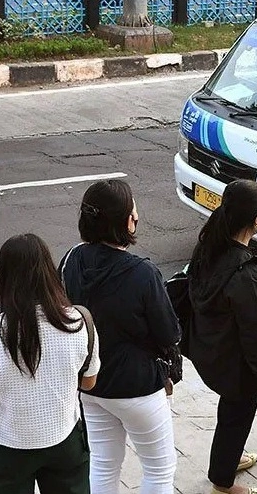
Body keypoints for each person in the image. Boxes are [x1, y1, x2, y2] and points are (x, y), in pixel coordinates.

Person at [60, 178, 179, 494]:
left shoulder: (71, 259)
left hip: (90, 383)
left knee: (102, 464)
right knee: (159, 469)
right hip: (138, 386)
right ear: (127, 220)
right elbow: (169, 332)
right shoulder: (142, 273)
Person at [0, 234, 100, 494]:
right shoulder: (79, 322)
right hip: (64, 439)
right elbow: (89, 382)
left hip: (7, 446)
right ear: (49, 272)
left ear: (3, 277)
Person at [188, 179, 257, 494]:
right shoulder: (246, 275)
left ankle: (228, 459)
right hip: (239, 364)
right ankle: (223, 482)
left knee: (231, 412)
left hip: (215, 352)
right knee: (237, 415)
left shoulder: (208, 248)